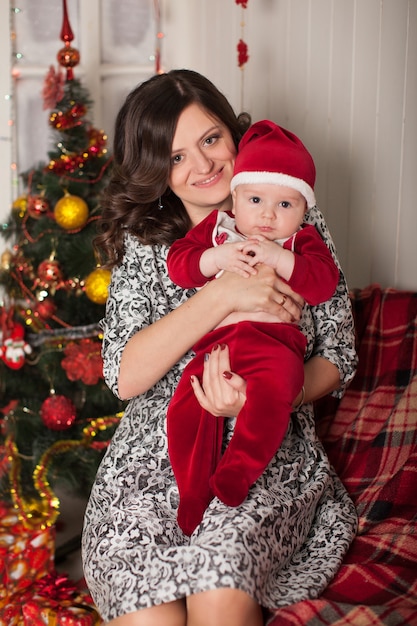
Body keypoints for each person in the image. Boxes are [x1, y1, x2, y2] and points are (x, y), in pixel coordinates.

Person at [81, 69, 358, 626]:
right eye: (176, 156)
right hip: (149, 464)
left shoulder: (289, 214)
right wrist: (224, 294)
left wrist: (268, 396)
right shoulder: (148, 240)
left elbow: (339, 356)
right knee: (148, 613)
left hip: (263, 453)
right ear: (156, 171)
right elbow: (125, 375)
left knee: (218, 588)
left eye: (210, 140)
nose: (203, 166)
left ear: (234, 136)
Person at [166, 119, 340, 536]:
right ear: (237, 195)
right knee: (185, 409)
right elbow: (180, 264)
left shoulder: (301, 242)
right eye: (257, 199)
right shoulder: (220, 231)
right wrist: (216, 260)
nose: (267, 215)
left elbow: (323, 284)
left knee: (273, 397)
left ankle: (237, 472)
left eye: (285, 205)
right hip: (218, 347)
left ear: (302, 210)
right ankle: (193, 490)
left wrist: (277, 258)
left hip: (275, 347)